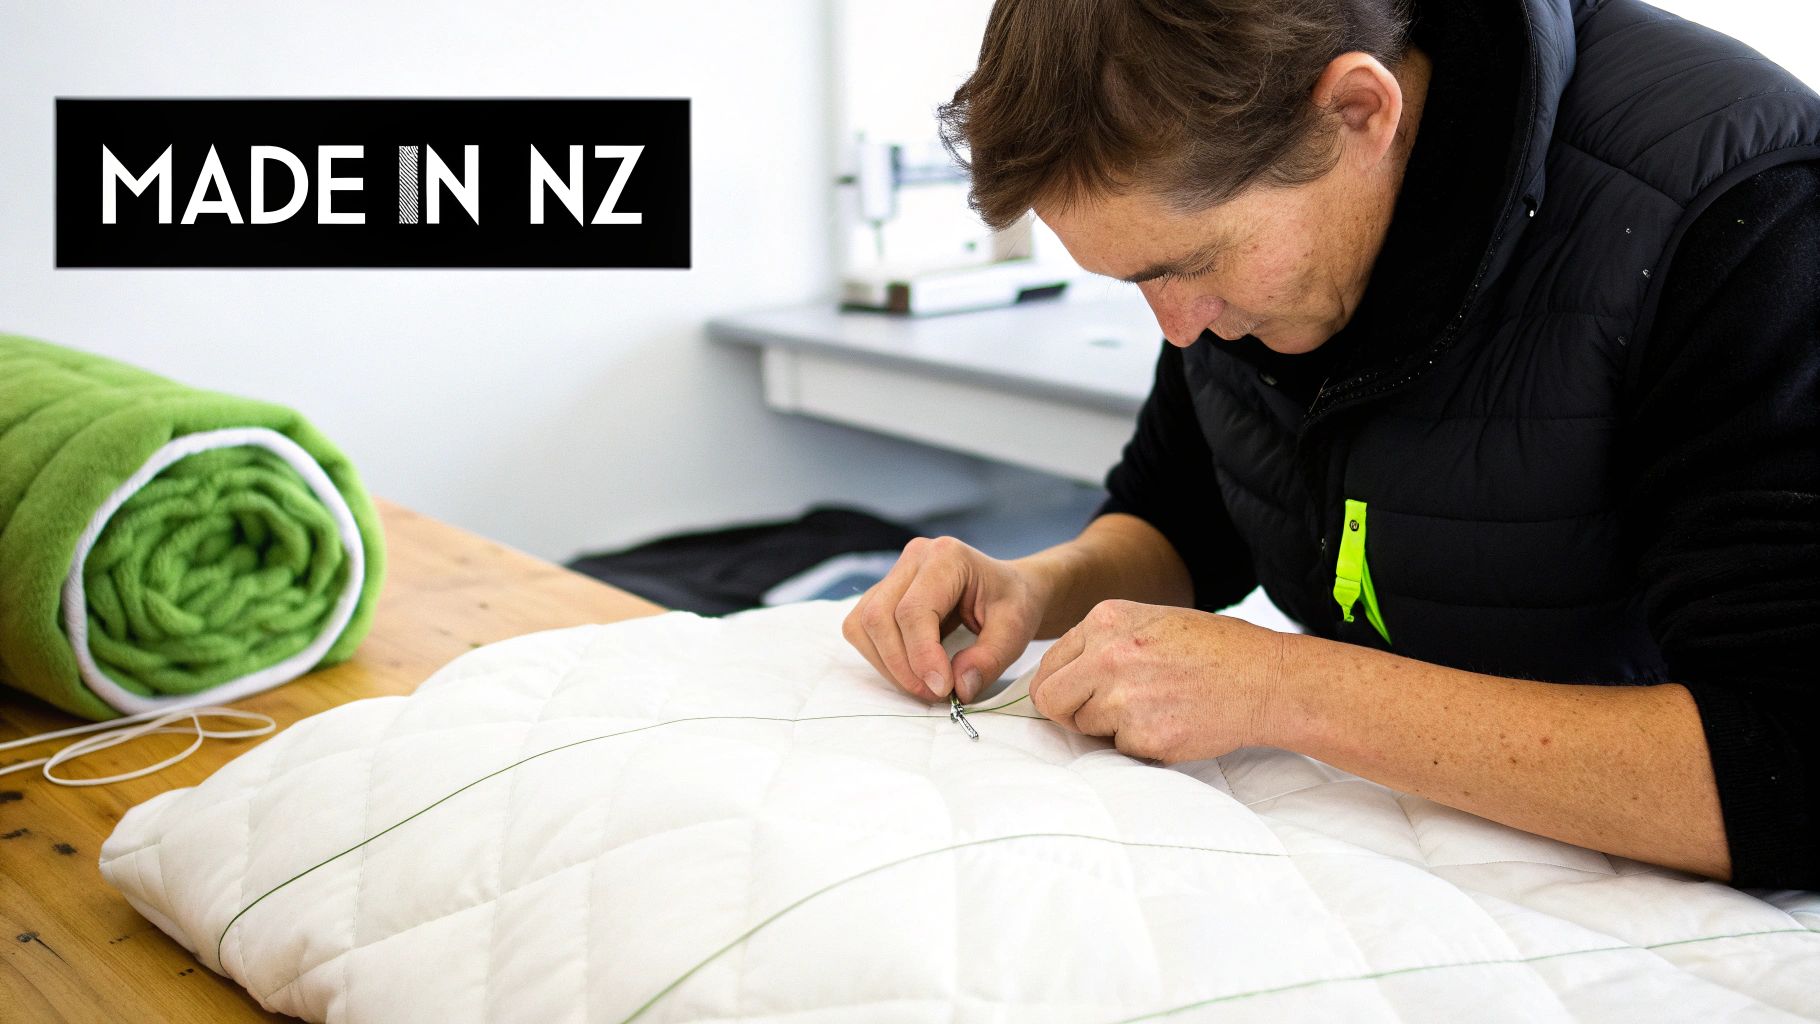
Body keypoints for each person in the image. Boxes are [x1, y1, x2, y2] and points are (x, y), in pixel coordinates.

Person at [840, 0, 1820, 889]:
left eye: (1189, 265)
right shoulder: (1248, 234)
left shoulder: (1736, 210)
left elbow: (1787, 764)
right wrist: (1034, 587)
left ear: (1357, 112)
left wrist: (1278, 687)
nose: (1176, 328)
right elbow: (1186, 511)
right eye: (1133, 280)